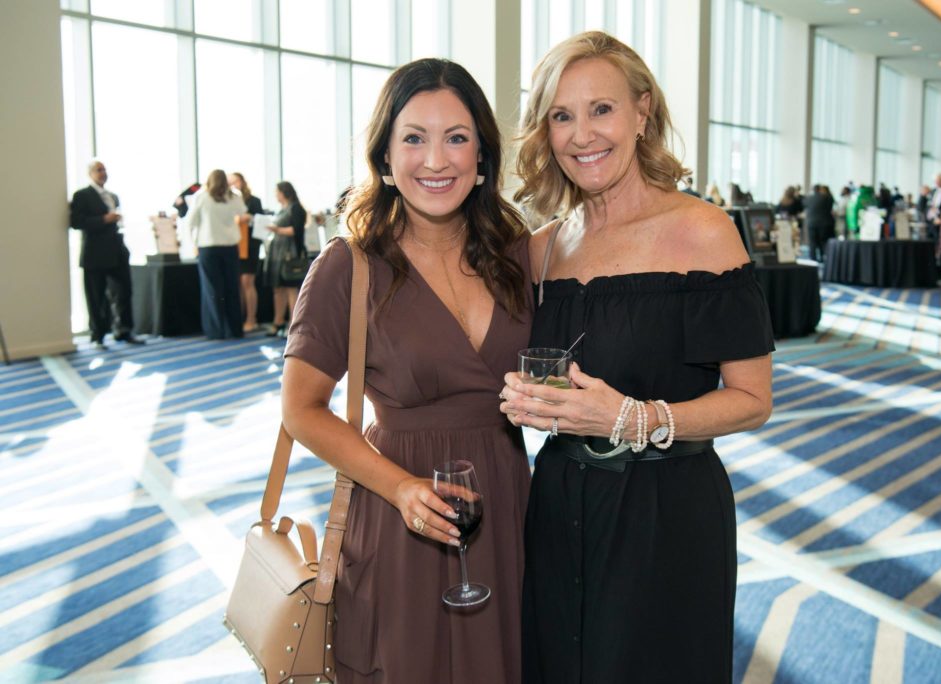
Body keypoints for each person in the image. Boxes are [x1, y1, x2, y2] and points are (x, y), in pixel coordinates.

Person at [502, 31, 774, 683]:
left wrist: (633, 418)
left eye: (602, 109)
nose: (582, 134)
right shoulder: (541, 249)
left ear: (642, 112)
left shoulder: (703, 232)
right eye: (561, 115)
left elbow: (752, 400)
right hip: (560, 499)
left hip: (669, 510)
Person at [280, 58, 532, 684]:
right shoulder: (350, 266)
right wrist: (397, 488)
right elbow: (301, 409)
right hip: (400, 507)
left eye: (456, 137)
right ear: (386, 159)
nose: (436, 160)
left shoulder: (517, 256)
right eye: (414, 138)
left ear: (482, 157)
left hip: (505, 498)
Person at [69, 160, 143, 347]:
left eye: (104, 169)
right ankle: (98, 335)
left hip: (116, 249)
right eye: (98, 170)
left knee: (124, 291)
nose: (103, 173)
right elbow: (76, 222)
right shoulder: (82, 195)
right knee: (96, 296)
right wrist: (103, 219)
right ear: (90, 174)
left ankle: (124, 330)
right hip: (95, 253)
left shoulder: (113, 196)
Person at [186, 169, 246, 339]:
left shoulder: (202, 196)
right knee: (232, 288)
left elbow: (191, 222)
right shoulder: (234, 196)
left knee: (212, 289)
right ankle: (235, 329)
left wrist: (194, 243)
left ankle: (215, 330)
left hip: (208, 246)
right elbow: (242, 213)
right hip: (230, 246)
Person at [263, 181, 308, 336]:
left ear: (284, 192)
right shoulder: (282, 209)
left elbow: (296, 230)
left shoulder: (295, 208)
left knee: (290, 289)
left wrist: (276, 229)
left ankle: (292, 324)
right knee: (278, 288)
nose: (275, 195)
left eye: (277, 191)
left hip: (290, 254)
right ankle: (278, 321)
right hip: (277, 253)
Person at [229, 172, 265, 332]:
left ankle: (252, 318)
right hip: (234, 245)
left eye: (235, 181)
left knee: (247, 282)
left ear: (242, 181)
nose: (233, 185)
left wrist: (246, 217)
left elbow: (260, 220)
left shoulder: (254, 200)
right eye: (230, 182)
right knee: (237, 283)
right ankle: (240, 318)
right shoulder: (228, 201)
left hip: (250, 246)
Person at [805, 183, 835, 261]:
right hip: (824, 223)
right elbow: (831, 206)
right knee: (823, 242)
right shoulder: (827, 198)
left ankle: (812, 258)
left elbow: (804, 205)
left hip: (811, 223)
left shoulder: (809, 198)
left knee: (812, 242)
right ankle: (824, 257)